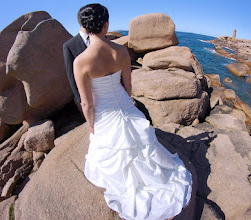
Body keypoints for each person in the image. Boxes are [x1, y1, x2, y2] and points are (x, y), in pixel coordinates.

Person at [73, 4, 192, 220]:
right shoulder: (120, 51)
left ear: (83, 27)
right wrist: (127, 104)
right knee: (143, 145)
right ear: (106, 25)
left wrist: (91, 124)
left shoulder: (80, 61)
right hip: (124, 105)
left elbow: (87, 103)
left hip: (104, 111)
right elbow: (128, 87)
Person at [63, 5, 91, 113]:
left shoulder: (103, 39)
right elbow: (71, 76)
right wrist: (81, 100)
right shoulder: (69, 45)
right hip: (87, 94)